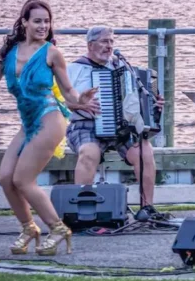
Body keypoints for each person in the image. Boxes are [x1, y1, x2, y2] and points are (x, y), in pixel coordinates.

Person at [0, 0, 97, 256]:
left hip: (50, 118)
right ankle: (28, 227)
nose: (43, 26)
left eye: (47, 22)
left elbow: (68, 91)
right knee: (5, 177)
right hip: (28, 121)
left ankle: (58, 228)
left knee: (23, 180)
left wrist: (79, 101)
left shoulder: (52, 53)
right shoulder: (9, 51)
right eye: (37, 21)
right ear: (24, 22)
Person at [65, 26, 164, 220]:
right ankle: (82, 212)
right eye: (104, 41)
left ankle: (147, 209)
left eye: (111, 41)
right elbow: (57, 102)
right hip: (86, 125)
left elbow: (137, 99)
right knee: (89, 153)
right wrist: (78, 105)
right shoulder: (74, 68)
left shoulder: (123, 68)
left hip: (121, 128)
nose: (108, 46)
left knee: (144, 151)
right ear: (90, 45)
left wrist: (153, 103)